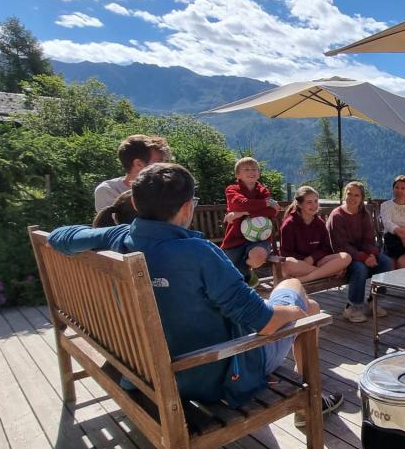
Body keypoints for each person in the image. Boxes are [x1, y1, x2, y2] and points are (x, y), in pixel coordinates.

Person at [49, 163, 343, 421]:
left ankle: (310, 399)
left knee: (300, 303)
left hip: (144, 367)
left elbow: (58, 236)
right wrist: (298, 311)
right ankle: (311, 406)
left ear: (136, 205)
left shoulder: (119, 238)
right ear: (188, 207)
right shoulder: (197, 253)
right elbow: (263, 321)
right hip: (211, 373)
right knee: (302, 300)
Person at [327, 181, 393, 323]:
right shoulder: (337, 215)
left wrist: (372, 254)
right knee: (360, 268)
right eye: (349, 193)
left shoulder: (364, 214)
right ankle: (352, 307)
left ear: (362, 198)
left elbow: (368, 239)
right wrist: (364, 257)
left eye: (356, 195)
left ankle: (373, 302)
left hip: (361, 254)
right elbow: (341, 246)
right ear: (345, 195)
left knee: (386, 262)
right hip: (342, 257)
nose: (352, 198)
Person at [221, 157, 280, 279]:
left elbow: (272, 211)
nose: (251, 172)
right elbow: (240, 204)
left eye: (254, 169)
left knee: (257, 257)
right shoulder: (231, 190)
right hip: (235, 239)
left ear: (259, 173)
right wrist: (264, 204)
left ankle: (245, 269)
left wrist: (240, 213)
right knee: (227, 273)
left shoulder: (263, 191)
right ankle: (247, 278)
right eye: (246, 169)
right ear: (238, 174)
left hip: (260, 238)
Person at [279, 185, 352, 283]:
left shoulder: (319, 223)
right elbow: (286, 253)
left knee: (346, 257)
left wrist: (313, 258)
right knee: (287, 263)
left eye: (316, 201)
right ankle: (329, 272)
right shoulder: (289, 224)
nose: (314, 205)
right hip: (299, 264)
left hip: (318, 262)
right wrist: (306, 260)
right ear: (300, 205)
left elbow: (326, 248)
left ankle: (304, 279)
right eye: (309, 202)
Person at [94, 134, 171, 212]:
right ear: (138, 164)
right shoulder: (108, 191)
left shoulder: (166, 189)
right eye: (159, 162)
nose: (166, 166)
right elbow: (111, 223)